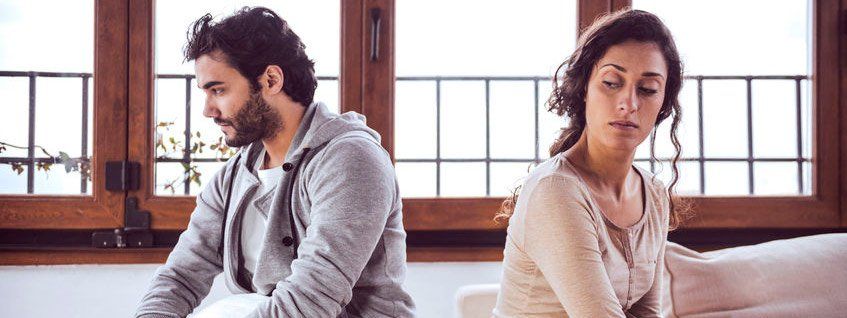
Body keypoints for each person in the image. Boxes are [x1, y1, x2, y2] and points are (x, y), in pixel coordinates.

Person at [134, 7, 415, 318]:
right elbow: (180, 276)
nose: (208, 110)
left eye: (218, 90)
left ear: (271, 80)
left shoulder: (351, 160)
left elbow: (311, 299)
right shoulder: (233, 176)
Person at [493, 9, 686, 317]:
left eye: (647, 89)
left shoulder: (653, 193)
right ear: (584, 88)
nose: (629, 103)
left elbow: (646, 313)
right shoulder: (555, 190)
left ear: (663, 103)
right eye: (611, 82)